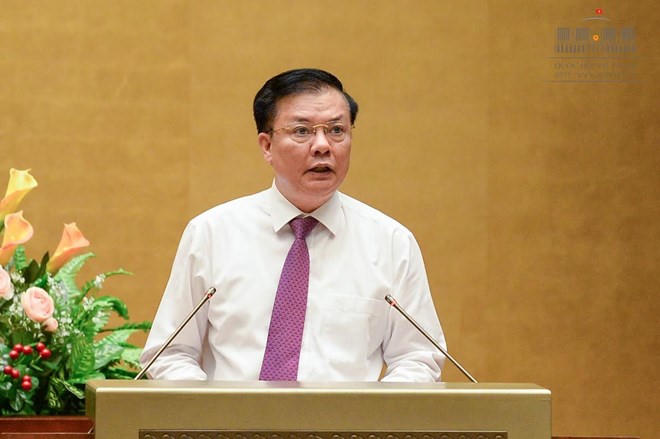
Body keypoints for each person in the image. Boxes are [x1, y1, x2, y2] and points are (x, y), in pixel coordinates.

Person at [140, 68, 446, 382]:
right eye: (302, 131)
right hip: (231, 415)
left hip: (348, 416)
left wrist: (372, 412)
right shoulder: (212, 234)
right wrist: (213, 408)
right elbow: (170, 354)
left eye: (337, 130)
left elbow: (417, 358)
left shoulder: (391, 242)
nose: (323, 145)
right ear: (267, 146)